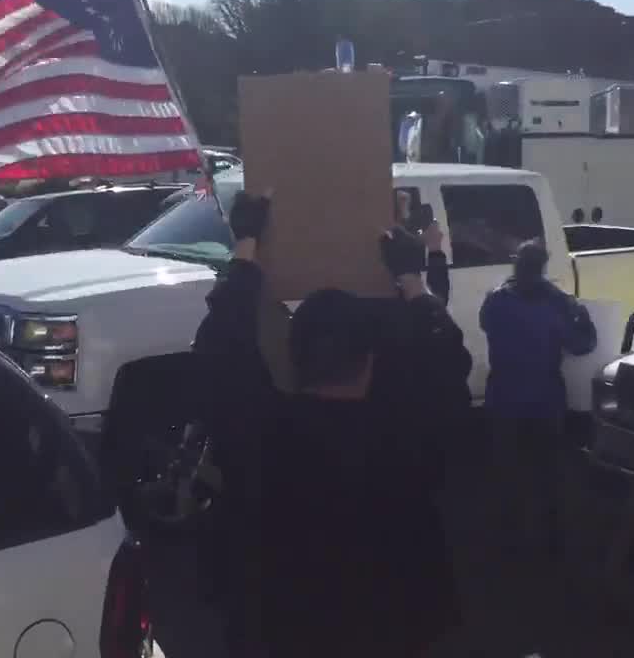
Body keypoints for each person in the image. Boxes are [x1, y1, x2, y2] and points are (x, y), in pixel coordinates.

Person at [193, 191, 468, 658]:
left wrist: (247, 245)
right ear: (370, 359)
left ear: (293, 358)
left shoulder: (262, 435)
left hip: (284, 634)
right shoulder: (405, 433)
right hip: (394, 630)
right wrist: (410, 277)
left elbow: (220, 348)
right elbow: (444, 357)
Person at [479, 239, 596, 556]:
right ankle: (548, 542)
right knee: (546, 475)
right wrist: (580, 312)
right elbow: (583, 344)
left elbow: (485, 321)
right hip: (544, 401)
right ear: (542, 267)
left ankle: (506, 541)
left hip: (503, 398)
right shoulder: (553, 307)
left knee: (507, 473)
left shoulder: (496, 301)